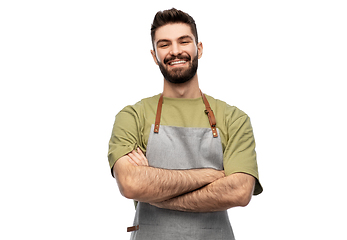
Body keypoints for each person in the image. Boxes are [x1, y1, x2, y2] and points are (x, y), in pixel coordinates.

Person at [108, 8, 263, 240]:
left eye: (184, 41)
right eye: (164, 44)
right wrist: (209, 175)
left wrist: (153, 191)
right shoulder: (132, 116)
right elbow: (130, 184)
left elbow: (239, 191)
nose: (175, 51)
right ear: (154, 56)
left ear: (198, 49)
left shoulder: (233, 118)